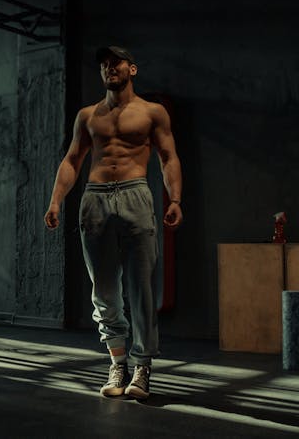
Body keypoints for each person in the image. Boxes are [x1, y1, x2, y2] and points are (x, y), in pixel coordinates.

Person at [44, 45, 182, 400]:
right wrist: (56, 200)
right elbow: (72, 160)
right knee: (104, 290)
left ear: (131, 69)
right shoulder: (88, 116)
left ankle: (141, 368)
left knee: (142, 289)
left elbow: (168, 158)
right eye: (104, 65)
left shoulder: (153, 112)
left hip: (136, 195)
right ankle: (117, 362)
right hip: (95, 198)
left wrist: (175, 199)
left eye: (116, 63)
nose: (109, 69)